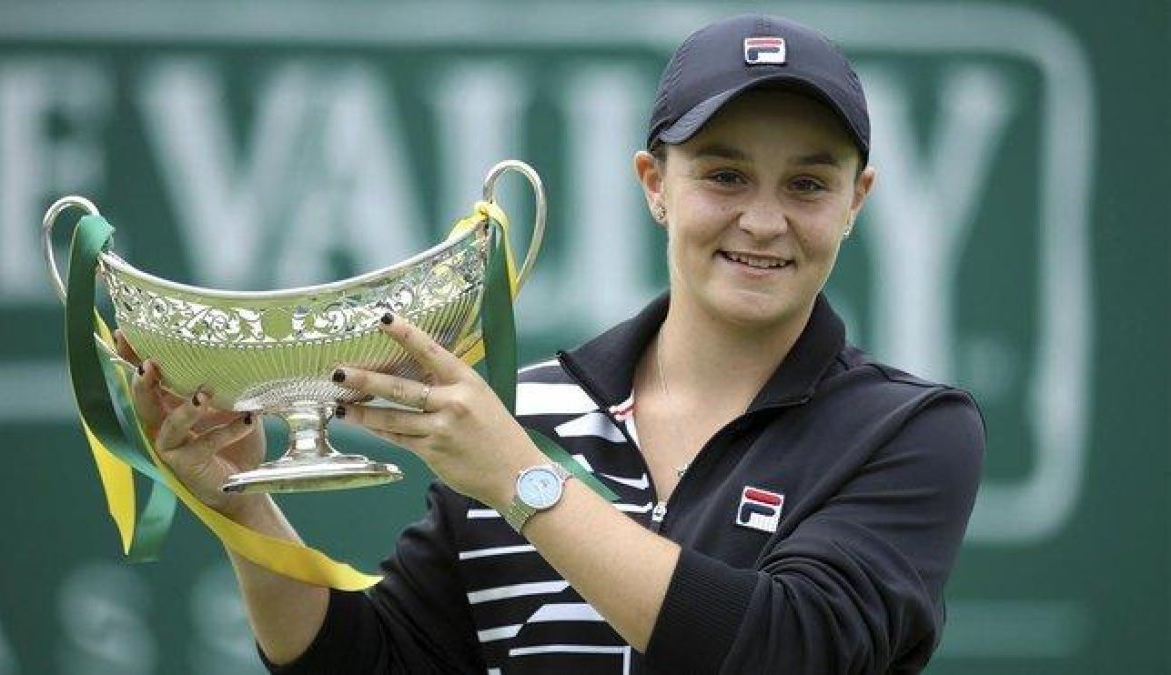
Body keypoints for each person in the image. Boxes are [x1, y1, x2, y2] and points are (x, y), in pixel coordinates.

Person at [123, 13, 984, 674]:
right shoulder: (525, 409)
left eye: (807, 184)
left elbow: (787, 650)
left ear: (856, 200)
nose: (763, 220)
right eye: (724, 175)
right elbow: (379, 662)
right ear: (655, 184)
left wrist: (520, 478)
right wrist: (241, 507)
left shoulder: (908, 429)